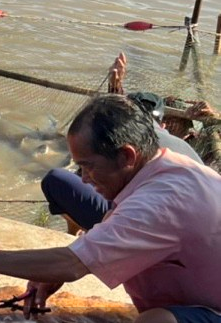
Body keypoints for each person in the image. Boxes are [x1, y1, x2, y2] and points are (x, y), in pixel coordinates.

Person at [0, 94, 221, 323]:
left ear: (127, 156)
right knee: (61, 187)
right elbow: (117, 224)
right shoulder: (156, 158)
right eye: (79, 167)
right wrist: (49, 269)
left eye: (89, 167)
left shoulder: (162, 202)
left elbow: (73, 264)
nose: (85, 178)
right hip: (200, 286)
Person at [42, 53, 203, 234]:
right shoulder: (183, 147)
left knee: (55, 179)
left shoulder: (135, 140)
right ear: (163, 124)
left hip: (141, 226)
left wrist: (116, 83)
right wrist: (116, 86)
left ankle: (76, 230)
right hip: (184, 230)